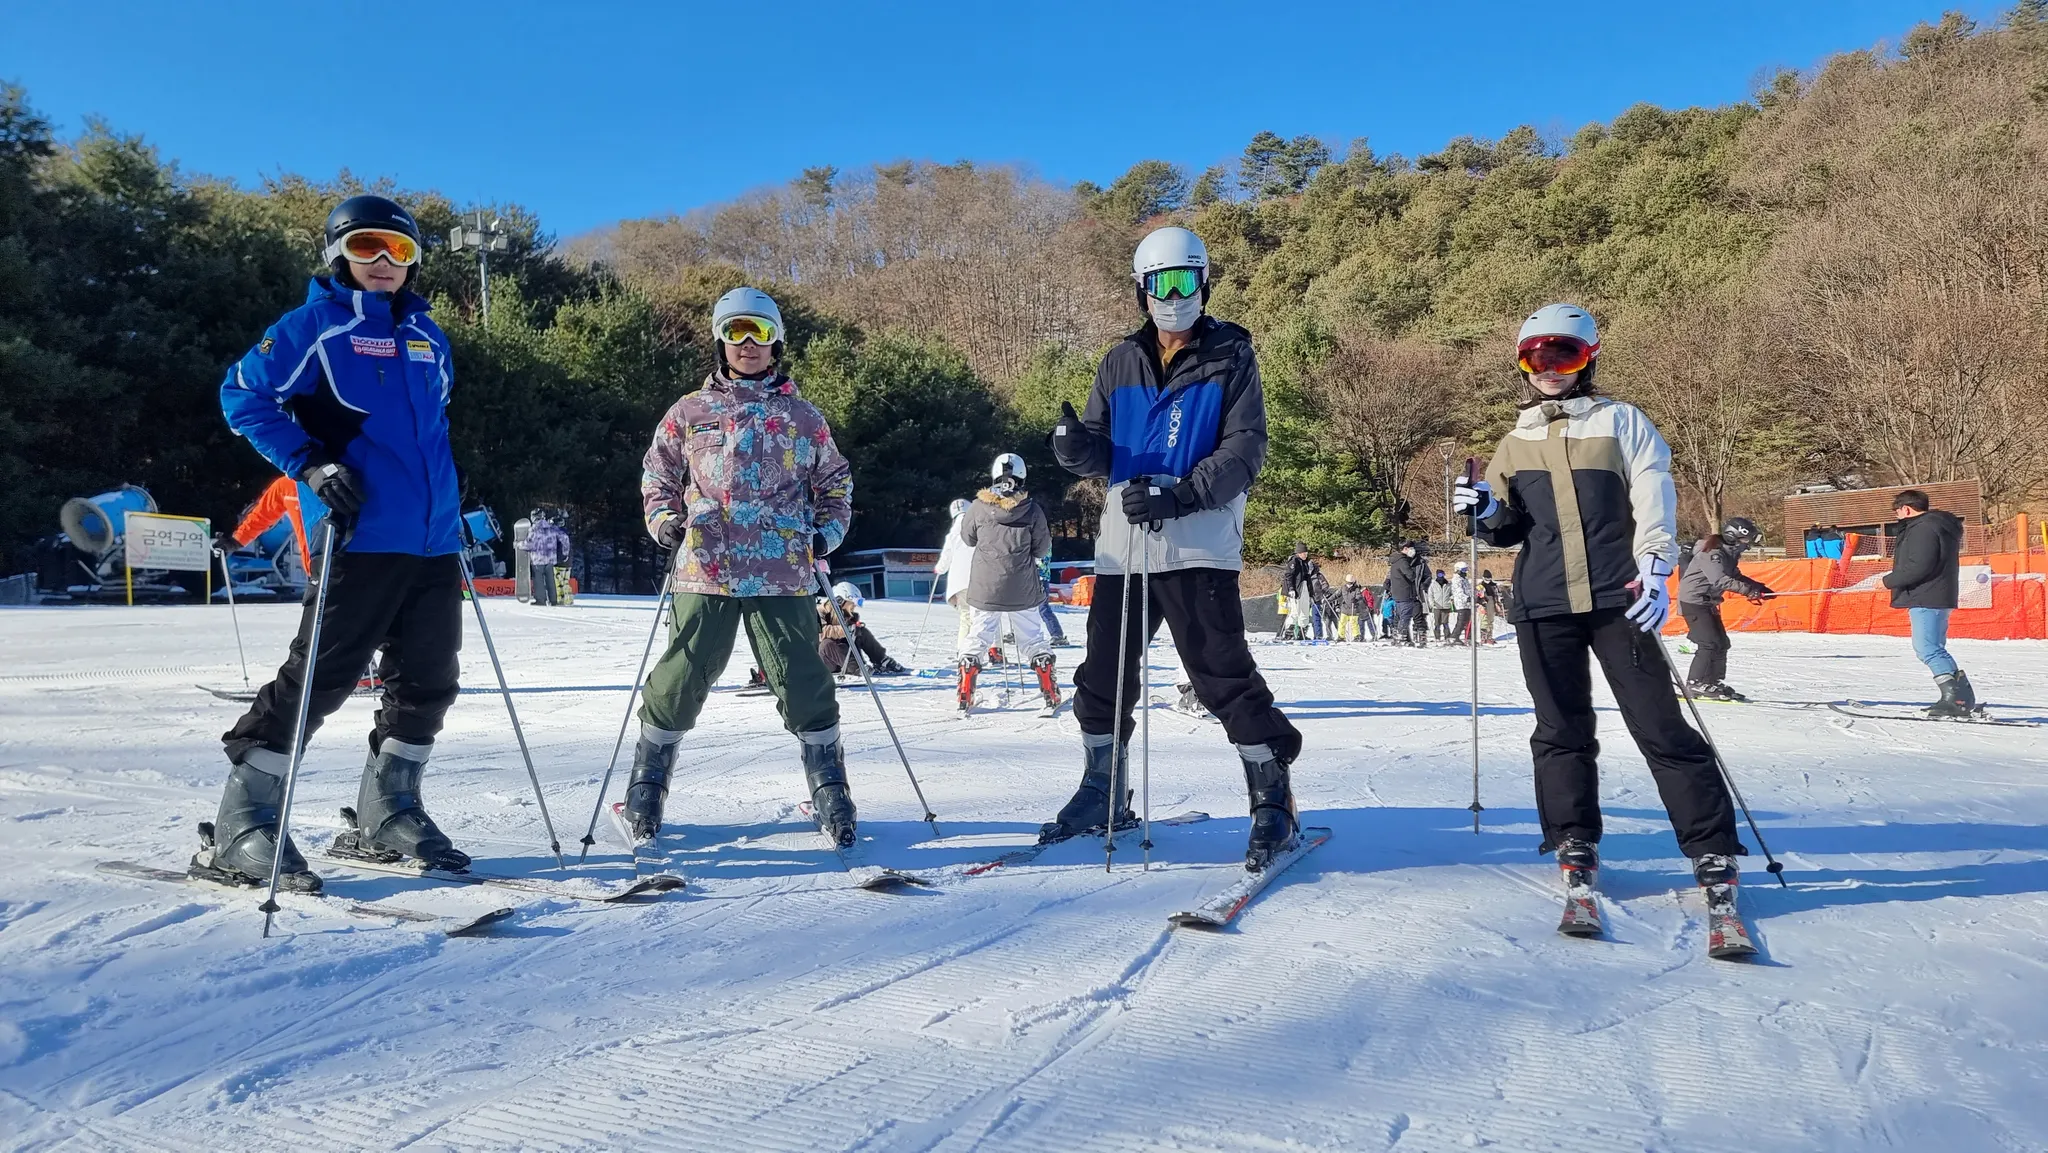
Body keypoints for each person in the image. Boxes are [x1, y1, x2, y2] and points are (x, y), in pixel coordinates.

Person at [199, 195, 469, 893]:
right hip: (361, 533)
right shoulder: (313, 327)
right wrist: (311, 464)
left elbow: (431, 427)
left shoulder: (428, 336)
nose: (383, 262)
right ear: (337, 254)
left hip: (433, 538)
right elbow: (243, 396)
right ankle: (244, 820)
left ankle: (390, 809)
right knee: (322, 674)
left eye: (399, 250)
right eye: (366, 246)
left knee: (429, 678)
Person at [1454, 302, 1748, 919]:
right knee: (1560, 728)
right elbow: (1508, 530)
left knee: (1659, 724)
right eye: (1535, 358)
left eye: (1564, 356)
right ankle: (1573, 837)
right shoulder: (1515, 441)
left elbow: (1654, 495)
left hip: (1621, 597)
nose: (1549, 369)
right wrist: (1483, 508)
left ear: (1588, 359)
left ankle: (1711, 846)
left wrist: (1657, 568)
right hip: (1543, 603)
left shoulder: (1622, 422)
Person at [1046, 224, 1302, 871]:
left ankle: (1273, 797)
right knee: (1103, 675)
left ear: (1205, 283)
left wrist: (1182, 495)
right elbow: (1102, 447)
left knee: (1220, 674)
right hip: (1124, 549)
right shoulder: (1119, 361)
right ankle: (1102, 791)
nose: (1175, 296)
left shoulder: (1231, 356)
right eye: (1162, 283)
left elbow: (1245, 449)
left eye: (1187, 280)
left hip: (1197, 545)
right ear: (1142, 289)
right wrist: (1077, 449)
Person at [624, 287, 859, 846]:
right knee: (682, 675)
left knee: (802, 678)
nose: (748, 343)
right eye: (735, 332)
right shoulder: (690, 411)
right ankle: (648, 781)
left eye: (759, 331)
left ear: (777, 340)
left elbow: (836, 484)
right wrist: (665, 520)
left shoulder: (803, 417)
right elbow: (657, 475)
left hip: (783, 570)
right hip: (705, 567)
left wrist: (824, 533)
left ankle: (829, 784)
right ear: (720, 340)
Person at [957, 454, 1059, 712]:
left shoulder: (978, 507)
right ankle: (1047, 679)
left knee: (978, 634)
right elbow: (1042, 548)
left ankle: (967, 678)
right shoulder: (1032, 510)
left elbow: (967, 538)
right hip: (1022, 586)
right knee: (1032, 637)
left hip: (985, 586)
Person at [1881, 489, 1978, 718]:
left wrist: (1888, 581)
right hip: (1935, 594)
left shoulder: (1923, 528)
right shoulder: (1936, 525)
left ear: (1906, 509)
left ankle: (1957, 699)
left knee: (1927, 648)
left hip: (1927, 595)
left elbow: (1919, 565)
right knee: (1932, 647)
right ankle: (1959, 697)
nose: (1897, 516)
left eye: (1897, 511)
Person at [1677, 517, 1772, 700]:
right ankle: (1695, 683)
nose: (1747, 546)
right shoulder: (1712, 552)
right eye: (1745, 540)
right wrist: (1748, 591)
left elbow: (1735, 576)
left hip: (1708, 602)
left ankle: (1712, 682)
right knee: (1708, 643)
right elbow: (1719, 580)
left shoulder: (1728, 554)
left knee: (1721, 643)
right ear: (1732, 536)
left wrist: (1759, 587)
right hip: (1694, 601)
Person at [216, 474, 330, 594]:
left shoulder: (338, 477)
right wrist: (236, 541)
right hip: (316, 568)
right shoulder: (287, 485)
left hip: (338, 561)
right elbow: (262, 516)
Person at [818, 581, 909, 676]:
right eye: (852, 603)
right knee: (826, 644)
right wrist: (846, 629)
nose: (854, 606)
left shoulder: (846, 614)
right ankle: (858, 668)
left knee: (861, 632)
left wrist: (854, 627)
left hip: (844, 656)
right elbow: (820, 633)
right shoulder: (821, 612)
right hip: (826, 660)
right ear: (840, 601)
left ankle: (881, 660)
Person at [933, 497, 976, 660]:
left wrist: (939, 569)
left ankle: (963, 652)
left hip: (960, 583)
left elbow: (945, 558)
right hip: (981, 579)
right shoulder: (980, 529)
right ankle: (995, 650)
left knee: (966, 617)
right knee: (988, 616)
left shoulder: (952, 534)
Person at [521, 509, 571, 607]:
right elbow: (564, 538)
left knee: (538, 580)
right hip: (550, 559)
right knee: (551, 580)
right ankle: (553, 600)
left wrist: (518, 544)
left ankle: (541, 600)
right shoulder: (551, 527)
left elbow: (529, 545)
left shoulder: (534, 529)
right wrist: (565, 552)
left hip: (538, 559)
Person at [1279, 543, 1324, 643]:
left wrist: (1311, 594)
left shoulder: (1305, 563)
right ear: (1298, 553)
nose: (1305, 555)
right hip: (1296, 589)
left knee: (1305, 611)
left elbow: (1308, 578)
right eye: (1304, 553)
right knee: (1295, 611)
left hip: (1304, 588)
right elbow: (1288, 576)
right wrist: (1291, 589)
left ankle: (1302, 633)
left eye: (1306, 553)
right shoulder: (1293, 561)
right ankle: (1289, 634)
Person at [1386, 542, 1428, 647]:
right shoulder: (1402, 561)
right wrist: (1415, 576)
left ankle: (1400, 637)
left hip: (1401, 593)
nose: (1413, 550)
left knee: (1402, 615)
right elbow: (1410, 575)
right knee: (1405, 616)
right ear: (1405, 549)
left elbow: (1427, 575)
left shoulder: (1396, 561)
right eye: (1411, 548)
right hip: (1406, 592)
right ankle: (1402, 637)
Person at [1334, 575, 1366, 642]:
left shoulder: (1356, 589)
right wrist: (1328, 600)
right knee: (1341, 623)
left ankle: (1357, 636)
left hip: (1353, 609)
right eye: (1348, 582)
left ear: (1353, 582)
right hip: (1345, 609)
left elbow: (1359, 596)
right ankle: (1341, 637)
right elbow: (1336, 595)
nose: (1349, 584)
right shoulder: (1343, 588)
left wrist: (1356, 599)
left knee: (1353, 623)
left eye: (1350, 583)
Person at [1427, 569, 1455, 640]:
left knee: (1445, 622)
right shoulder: (1433, 585)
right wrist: (1432, 603)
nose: (1441, 576)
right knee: (1437, 623)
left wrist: (1451, 599)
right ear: (1437, 575)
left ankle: (1447, 637)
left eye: (1442, 574)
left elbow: (1452, 593)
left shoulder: (1448, 584)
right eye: (1439, 575)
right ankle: (1437, 637)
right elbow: (1430, 595)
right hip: (1437, 606)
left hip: (1446, 606)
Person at [1452, 561, 1475, 645]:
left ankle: (1469, 638)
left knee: (1469, 622)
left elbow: (1469, 590)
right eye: (1464, 570)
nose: (1466, 571)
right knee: (1461, 622)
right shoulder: (1456, 580)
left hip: (1468, 605)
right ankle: (1454, 637)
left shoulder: (1464, 579)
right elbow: (1459, 592)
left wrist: (1474, 596)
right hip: (1461, 604)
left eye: (1466, 569)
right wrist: (1467, 598)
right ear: (1458, 570)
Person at [1476, 569, 1500, 644]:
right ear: (1483, 578)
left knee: (1490, 620)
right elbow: (1477, 596)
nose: (1488, 580)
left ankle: (1489, 636)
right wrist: (1480, 601)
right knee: (1484, 620)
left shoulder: (1494, 585)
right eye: (1486, 579)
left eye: (1489, 579)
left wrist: (1498, 602)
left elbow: (1497, 595)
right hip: (1483, 604)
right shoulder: (1480, 586)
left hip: (1491, 603)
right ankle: (1483, 637)